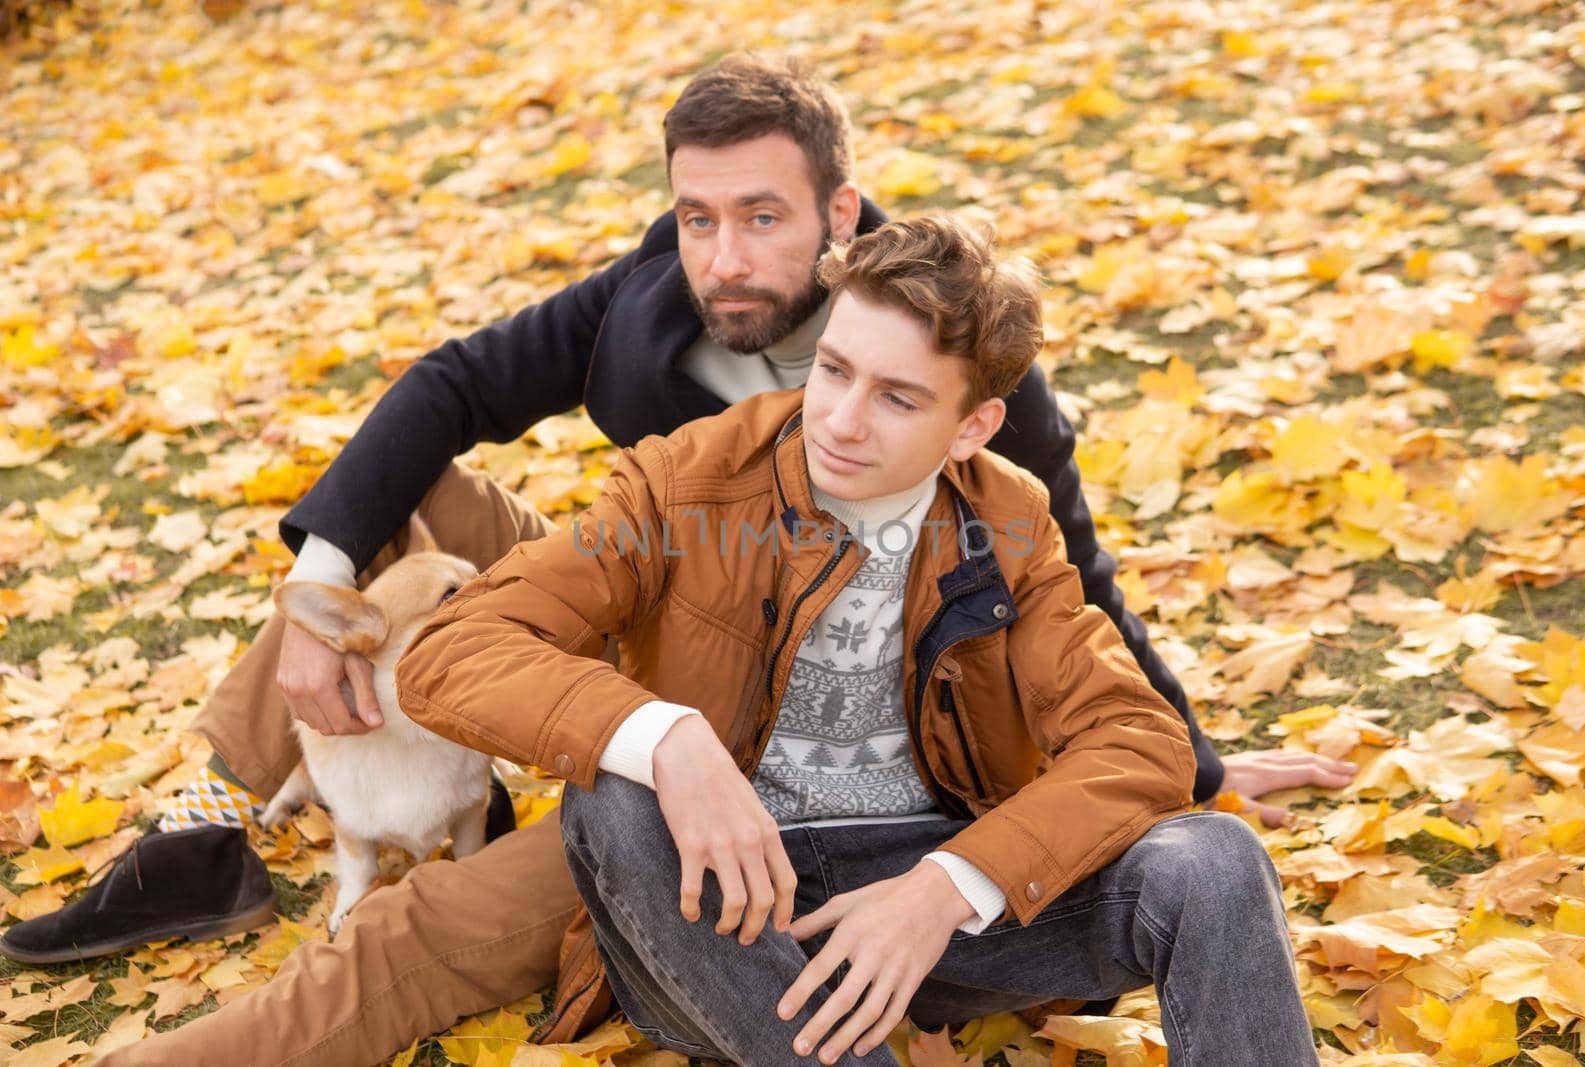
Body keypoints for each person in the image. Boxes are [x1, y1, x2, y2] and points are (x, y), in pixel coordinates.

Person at [32, 55, 1347, 1066]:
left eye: (759, 219)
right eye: (695, 217)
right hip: (666, 624)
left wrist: (1192, 762)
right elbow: (452, 394)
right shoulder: (666, 328)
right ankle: (215, 813)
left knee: (441, 927)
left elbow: (1073, 602)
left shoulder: (972, 400)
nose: (722, 256)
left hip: (806, 775)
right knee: (402, 508)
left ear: (836, 219)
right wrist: (329, 601)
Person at [392, 214, 1318, 1064]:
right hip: (724, 914)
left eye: (898, 399)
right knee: (615, 797)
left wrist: (946, 887)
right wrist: (668, 737)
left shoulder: (1009, 519)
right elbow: (452, 650)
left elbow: (1140, 739)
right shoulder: (686, 481)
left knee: (1215, 859)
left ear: (975, 427)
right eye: (832, 369)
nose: (838, 419)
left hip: (933, 908)